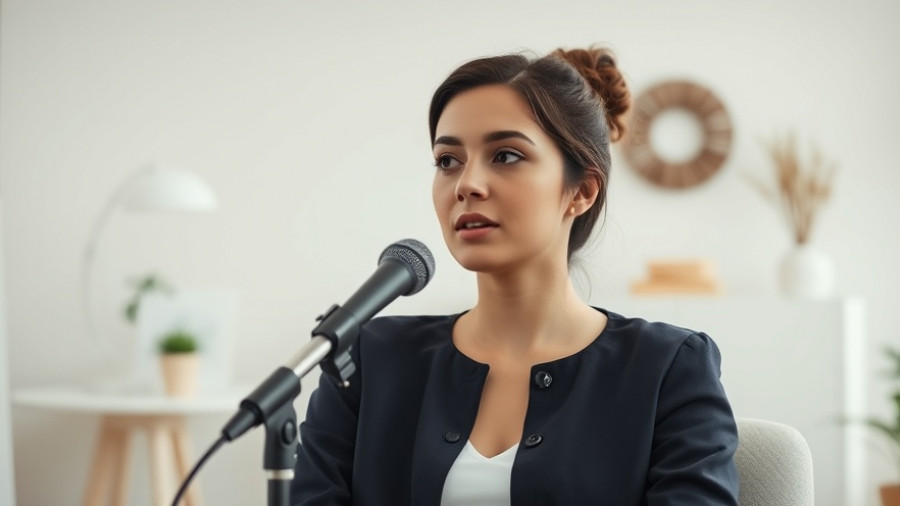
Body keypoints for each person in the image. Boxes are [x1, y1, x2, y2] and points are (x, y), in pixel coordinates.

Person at [291, 46, 739, 505]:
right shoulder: (368, 361)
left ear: (581, 191)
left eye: (505, 155)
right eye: (448, 161)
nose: (466, 184)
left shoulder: (668, 369)